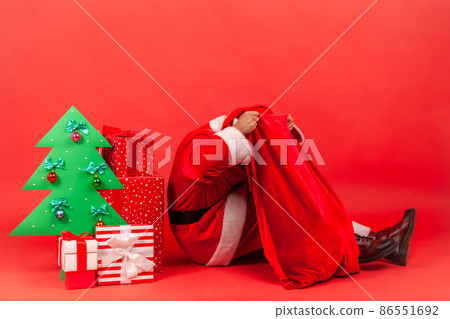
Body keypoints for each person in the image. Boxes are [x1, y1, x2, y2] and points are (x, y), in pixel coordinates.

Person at [168, 106, 415, 289]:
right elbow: (200, 164)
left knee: (289, 194)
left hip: (214, 222)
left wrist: (281, 131)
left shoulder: (221, 138)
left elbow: (277, 161)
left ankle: (375, 238)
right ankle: (353, 247)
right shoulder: (197, 142)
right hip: (205, 238)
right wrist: (238, 131)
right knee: (285, 206)